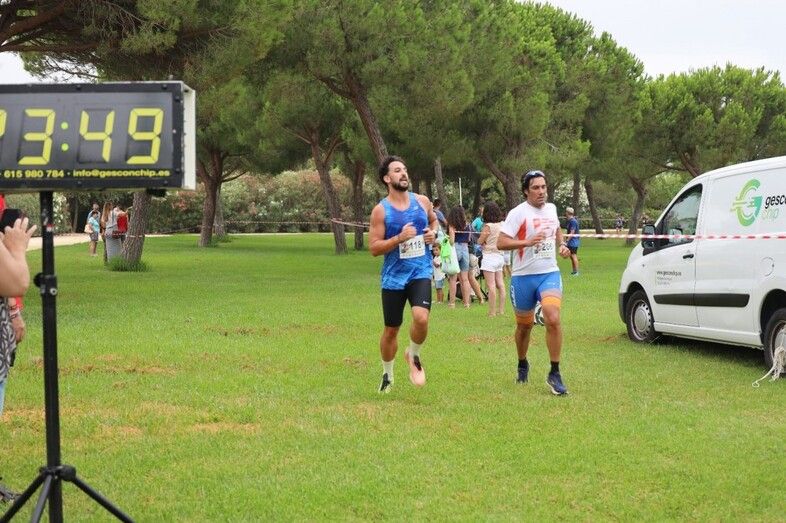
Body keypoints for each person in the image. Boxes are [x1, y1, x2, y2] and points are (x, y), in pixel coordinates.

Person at [497, 170, 571, 395]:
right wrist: (527, 242)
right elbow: (501, 243)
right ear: (526, 191)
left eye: (543, 187)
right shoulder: (517, 213)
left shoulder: (552, 209)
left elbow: (556, 229)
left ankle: (555, 372)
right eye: (536, 188)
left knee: (552, 317)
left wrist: (562, 245)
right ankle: (522, 363)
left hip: (549, 273)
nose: (541, 192)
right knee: (524, 326)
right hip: (523, 277)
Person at [369, 156, 438, 393]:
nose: (404, 174)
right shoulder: (381, 211)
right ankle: (387, 375)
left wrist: (433, 234)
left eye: (405, 169)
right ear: (387, 178)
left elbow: (434, 222)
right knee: (391, 330)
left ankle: (413, 354)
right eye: (397, 170)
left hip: (420, 270)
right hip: (394, 278)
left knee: (421, 318)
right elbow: (374, 248)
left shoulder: (422, 201)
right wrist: (399, 238)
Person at [447, 206, 485, 308]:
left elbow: (451, 241)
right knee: (465, 279)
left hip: (455, 249)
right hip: (465, 250)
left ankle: (452, 303)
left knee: (453, 279)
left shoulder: (452, 225)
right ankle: (466, 303)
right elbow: (469, 239)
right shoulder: (467, 225)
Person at [477, 201, 506, 317]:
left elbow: (480, 241)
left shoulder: (488, 226)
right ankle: (501, 310)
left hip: (489, 257)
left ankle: (492, 312)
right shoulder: (502, 225)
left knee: (491, 285)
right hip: (500, 256)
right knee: (500, 284)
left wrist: (481, 241)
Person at [565, 207, 580, 275]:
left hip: (573, 242)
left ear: (568, 213)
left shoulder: (573, 221)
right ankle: (574, 271)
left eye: (566, 212)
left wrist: (567, 240)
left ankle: (576, 272)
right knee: (571, 257)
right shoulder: (570, 221)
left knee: (574, 256)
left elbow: (572, 232)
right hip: (571, 242)